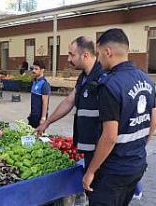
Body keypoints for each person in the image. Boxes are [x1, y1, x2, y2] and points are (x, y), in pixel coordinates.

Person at [82, 28, 156, 206]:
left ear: (108, 52)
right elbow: (153, 121)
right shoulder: (147, 80)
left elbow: (110, 137)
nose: (98, 60)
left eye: (99, 54)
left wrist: (91, 171)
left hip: (113, 171)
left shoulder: (110, 85)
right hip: (137, 164)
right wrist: (139, 146)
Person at [36, 36, 103, 172]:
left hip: (100, 147)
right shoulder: (84, 76)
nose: (68, 59)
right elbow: (69, 101)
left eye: (71, 54)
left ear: (85, 55)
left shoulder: (102, 76)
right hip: (88, 145)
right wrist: (47, 122)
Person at [28, 60, 51, 128]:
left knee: (38, 137)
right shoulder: (34, 82)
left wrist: (43, 118)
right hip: (33, 115)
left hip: (39, 116)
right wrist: (31, 113)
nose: (33, 71)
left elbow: (45, 103)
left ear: (42, 70)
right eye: (33, 68)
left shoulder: (44, 84)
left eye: (36, 69)